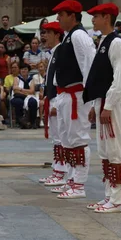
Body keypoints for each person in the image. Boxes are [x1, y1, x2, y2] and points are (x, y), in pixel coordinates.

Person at [84, 3, 121, 213]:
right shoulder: (103, 41)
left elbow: (120, 77)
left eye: (96, 16)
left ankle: (118, 199)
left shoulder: (117, 43)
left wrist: (109, 105)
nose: (93, 20)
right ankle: (109, 195)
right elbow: (101, 78)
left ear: (107, 17)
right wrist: (96, 104)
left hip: (113, 103)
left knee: (115, 150)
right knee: (105, 151)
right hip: (102, 101)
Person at [52, 0, 96, 200]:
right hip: (65, 94)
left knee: (78, 138)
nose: (58, 18)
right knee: (67, 139)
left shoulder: (79, 36)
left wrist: (91, 99)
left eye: (61, 14)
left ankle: (79, 184)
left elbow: (89, 67)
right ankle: (72, 178)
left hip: (77, 95)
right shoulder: (69, 37)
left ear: (72, 15)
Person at [39, 21, 69, 187]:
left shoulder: (61, 52)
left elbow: (60, 79)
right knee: (56, 138)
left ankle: (62, 171)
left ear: (57, 34)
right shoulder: (53, 53)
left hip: (58, 98)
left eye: (48, 33)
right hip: (52, 97)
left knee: (61, 138)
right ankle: (58, 170)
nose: (45, 37)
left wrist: (56, 103)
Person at [11, 63, 39, 129]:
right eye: (22, 69)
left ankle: (32, 122)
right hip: (17, 96)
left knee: (33, 102)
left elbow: (32, 91)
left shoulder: (31, 79)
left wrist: (20, 89)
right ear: (20, 70)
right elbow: (15, 90)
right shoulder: (16, 78)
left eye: (25, 69)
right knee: (18, 102)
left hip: (29, 96)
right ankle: (21, 122)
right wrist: (26, 92)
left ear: (28, 71)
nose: (23, 71)